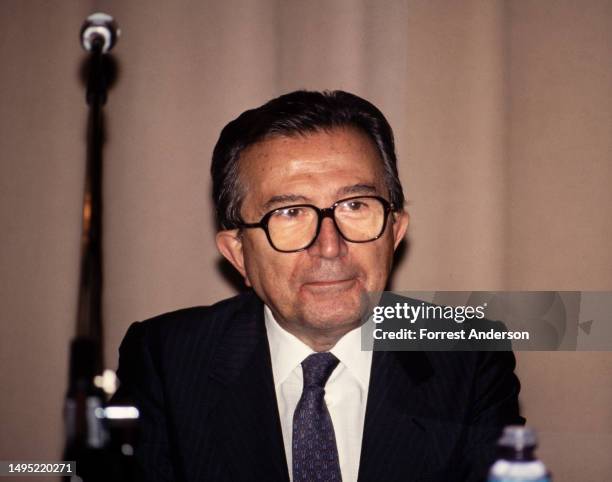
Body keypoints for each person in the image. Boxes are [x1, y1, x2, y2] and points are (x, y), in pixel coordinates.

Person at [112, 90, 524, 482]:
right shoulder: (166, 360)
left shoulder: (468, 356)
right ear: (238, 253)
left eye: (355, 206)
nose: (329, 246)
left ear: (395, 233)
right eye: (290, 212)